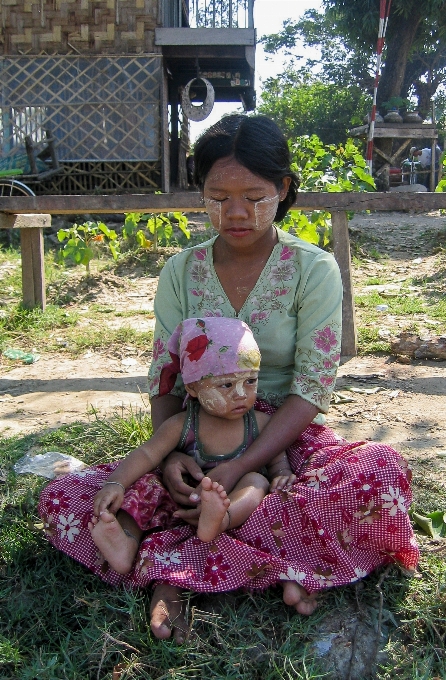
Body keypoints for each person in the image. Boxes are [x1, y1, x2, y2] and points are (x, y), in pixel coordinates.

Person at [39, 114, 419, 645]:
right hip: (195, 433)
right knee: (69, 496)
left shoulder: (314, 270)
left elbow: (311, 387)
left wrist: (243, 465)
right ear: (202, 193)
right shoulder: (180, 272)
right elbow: (166, 376)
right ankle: (280, 561)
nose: (236, 213)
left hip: (283, 436)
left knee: (379, 472)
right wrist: (173, 456)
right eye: (218, 197)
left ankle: (174, 564)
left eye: (255, 196)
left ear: (284, 189)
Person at [87, 316, 296, 572]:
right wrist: (116, 483)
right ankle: (125, 546)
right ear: (194, 388)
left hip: (231, 502)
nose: (241, 394)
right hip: (180, 502)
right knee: (145, 484)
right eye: (227, 385)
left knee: (256, 482)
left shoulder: (261, 423)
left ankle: (220, 521)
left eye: (250, 381)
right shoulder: (181, 425)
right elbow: (147, 454)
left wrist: (282, 473)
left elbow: (276, 458)